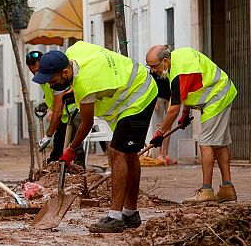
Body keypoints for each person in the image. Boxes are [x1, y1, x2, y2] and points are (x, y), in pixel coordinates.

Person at [33, 42, 158, 233]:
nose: (51, 86)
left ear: (66, 72)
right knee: (128, 153)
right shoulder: (74, 52)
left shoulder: (85, 84)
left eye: (53, 81)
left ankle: (115, 217)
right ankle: (131, 213)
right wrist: (73, 91)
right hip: (125, 97)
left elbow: (86, 123)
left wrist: (71, 149)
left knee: (117, 151)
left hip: (139, 94)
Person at [146, 45, 237, 204]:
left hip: (217, 97)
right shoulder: (180, 58)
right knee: (219, 144)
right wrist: (185, 113)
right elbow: (191, 87)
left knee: (205, 143)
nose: (153, 71)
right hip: (222, 92)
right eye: (150, 67)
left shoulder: (178, 74)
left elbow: (173, 109)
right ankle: (227, 189)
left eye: (154, 66)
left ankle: (207, 190)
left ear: (165, 61)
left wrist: (160, 132)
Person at [25, 50, 81, 163]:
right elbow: (53, 98)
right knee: (58, 148)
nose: (36, 74)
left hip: (73, 113)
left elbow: (58, 111)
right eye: (32, 72)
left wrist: (47, 136)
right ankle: (56, 172)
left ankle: (78, 173)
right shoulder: (43, 79)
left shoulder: (55, 77)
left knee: (74, 148)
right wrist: (46, 104)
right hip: (63, 117)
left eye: (37, 70)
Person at [150, 73, 177, 165]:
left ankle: (166, 154)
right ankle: (160, 154)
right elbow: (151, 84)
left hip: (169, 97)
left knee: (168, 126)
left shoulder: (169, 69)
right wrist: (154, 99)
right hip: (159, 98)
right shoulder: (154, 70)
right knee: (160, 125)